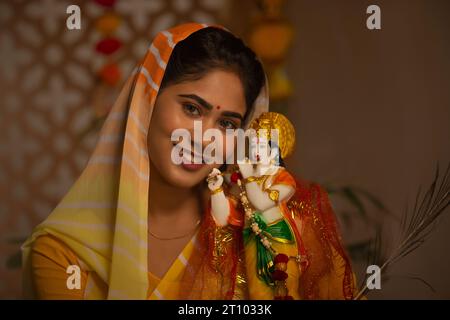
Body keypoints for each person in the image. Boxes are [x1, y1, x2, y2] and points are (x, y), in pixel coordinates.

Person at [22, 22, 357, 300]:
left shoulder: (270, 228)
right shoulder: (66, 252)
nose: (203, 138)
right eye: (192, 109)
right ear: (146, 104)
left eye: (226, 123)